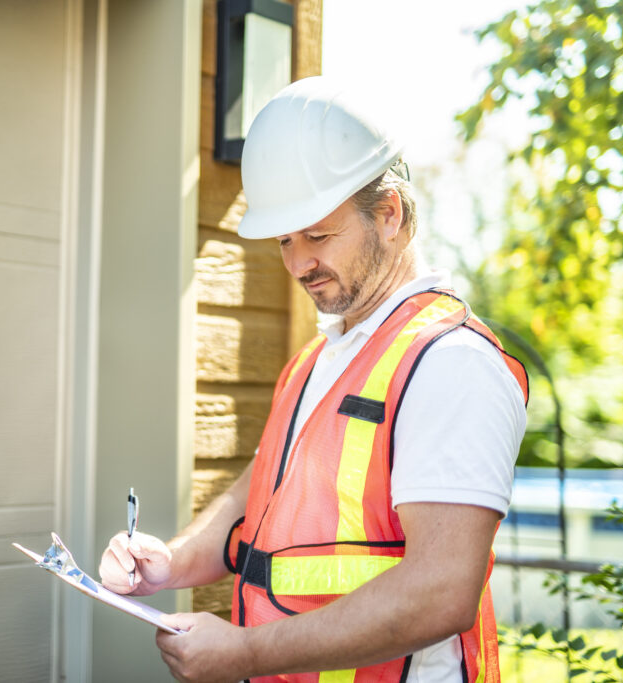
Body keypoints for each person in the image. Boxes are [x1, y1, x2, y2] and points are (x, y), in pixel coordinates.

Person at [98, 77, 529, 682]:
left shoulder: (451, 363)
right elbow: (254, 500)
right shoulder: (317, 359)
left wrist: (246, 653)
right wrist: (170, 564)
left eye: (319, 235)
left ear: (389, 214)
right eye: (284, 240)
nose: (299, 263)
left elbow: (441, 589)